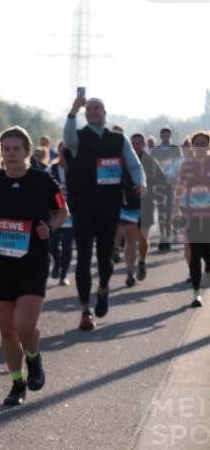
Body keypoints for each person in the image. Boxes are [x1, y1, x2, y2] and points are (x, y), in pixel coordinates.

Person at [0, 126, 68, 406]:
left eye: (16, 149)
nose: (11, 154)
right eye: (6, 149)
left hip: (32, 262)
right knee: (7, 331)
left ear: (27, 151)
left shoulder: (45, 182)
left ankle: (33, 358)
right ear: (1, 153)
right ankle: (17, 383)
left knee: (24, 327)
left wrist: (50, 227)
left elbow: (63, 212)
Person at [63, 95, 145, 330]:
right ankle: (84, 311)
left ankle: (103, 288)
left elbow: (134, 165)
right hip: (83, 205)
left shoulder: (118, 139)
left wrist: (141, 182)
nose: (92, 111)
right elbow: (67, 140)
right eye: (89, 109)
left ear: (104, 112)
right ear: (85, 113)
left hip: (109, 205)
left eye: (97, 108)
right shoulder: (78, 137)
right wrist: (72, 111)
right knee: (84, 257)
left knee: (105, 256)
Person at [122, 133, 167, 286]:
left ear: (143, 145)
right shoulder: (124, 161)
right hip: (128, 205)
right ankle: (129, 272)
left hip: (146, 204)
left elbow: (162, 182)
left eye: (138, 143)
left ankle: (141, 261)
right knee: (130, 239)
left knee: (142, 238)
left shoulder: (150, 162)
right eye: (133, 143)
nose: (135, 145)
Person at [173, 130, 210, 307]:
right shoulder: (187, 165)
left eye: (204, 143)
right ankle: (196, 293)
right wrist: (175, 209)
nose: (200, 146)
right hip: (192, 214)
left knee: (207, 252)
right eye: (198, 143)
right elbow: (180, 187)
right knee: (195, 254)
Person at [151, 127, 182, 251]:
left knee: (169, 211)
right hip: (159, 184)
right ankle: (163, 236)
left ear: (169, 136)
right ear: (160, 136)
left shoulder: (175, 149)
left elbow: (179, 165)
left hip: (171, 183)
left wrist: (176, 178)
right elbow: (152, 167)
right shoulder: (156, 150)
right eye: (163, 135)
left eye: (167, 135)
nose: (165, 137)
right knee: (161, 211)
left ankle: (167, 238)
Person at [48, 144, 75, 285]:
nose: (63, 153)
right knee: (52, 244)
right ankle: (57, 262)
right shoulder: (51, 169)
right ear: (57, 152)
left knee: (67, 246)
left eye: (66, 150)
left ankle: (64, 274)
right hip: (56, 213)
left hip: (72, 213)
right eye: (61, 150)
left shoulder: (76, 168)